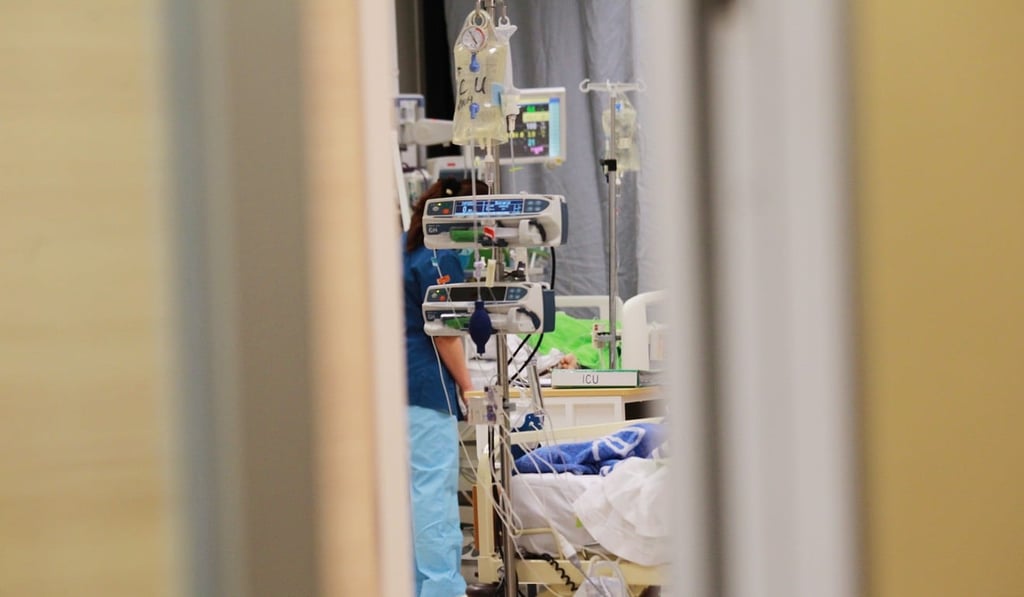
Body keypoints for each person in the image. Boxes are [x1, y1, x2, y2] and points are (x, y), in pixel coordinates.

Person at [403, 177, 486, 597]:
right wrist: (470, 388)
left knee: (410, 501)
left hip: (396, 388)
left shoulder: (405, 245)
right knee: (433, 496)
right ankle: (442, 590)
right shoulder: (440, 256)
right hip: (425, 387)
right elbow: (443, 331)